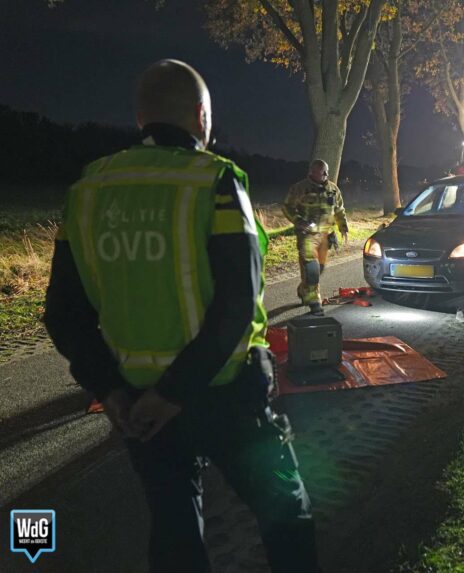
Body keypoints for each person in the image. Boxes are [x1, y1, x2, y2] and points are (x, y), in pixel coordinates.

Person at [44, 59, 318, 573]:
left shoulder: (87, 191)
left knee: (173, 529)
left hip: (137, 402)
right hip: (228, 392)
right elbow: (240, 300)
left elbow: (62, 313)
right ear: (201, 115)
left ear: (141, 117)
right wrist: (177, 392)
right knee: (285, 512)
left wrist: (114, 391)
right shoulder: (215, 180)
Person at [283, 159, 349, 316]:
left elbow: (339, 209)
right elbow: (287, 206)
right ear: (312, 172)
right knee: (311, 269)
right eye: (321, 172)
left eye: (326, 171)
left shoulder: (333, 189)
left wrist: (343, 227)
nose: (325, 174)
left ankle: (303, 289)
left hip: (326, 235)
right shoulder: (300, 188)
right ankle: (314, 302)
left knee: (319, 269)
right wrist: (298, 220)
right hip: (307, 236)